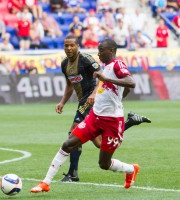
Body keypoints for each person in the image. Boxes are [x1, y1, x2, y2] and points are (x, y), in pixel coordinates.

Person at [30, 37, 148, 193]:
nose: (98, 54)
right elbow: (119, 89)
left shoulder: (117, 65)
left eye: (101, 50)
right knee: (68, 143)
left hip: (112, 121)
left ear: (111, 51)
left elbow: (131, 82)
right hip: (95, 117)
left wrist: (106, 81)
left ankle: (131, 169)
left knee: (104, 164)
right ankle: (46, 182)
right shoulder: (104, 67)